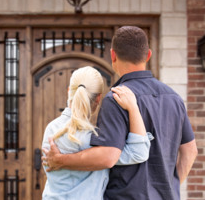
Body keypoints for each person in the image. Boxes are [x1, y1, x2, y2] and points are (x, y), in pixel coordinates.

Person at [42, 26, 198, 200]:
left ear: (113, 55)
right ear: (148, 55)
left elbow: (108, 156)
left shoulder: (116, 98)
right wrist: (170, 189)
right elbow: (190, 151)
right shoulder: (174, 98)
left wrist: (61, 160)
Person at [42, 66, 153, 200]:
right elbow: (138, 152)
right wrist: (133, 108)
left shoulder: (51, 129)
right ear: (98, 98)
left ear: (68, 91)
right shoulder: (94, 139)